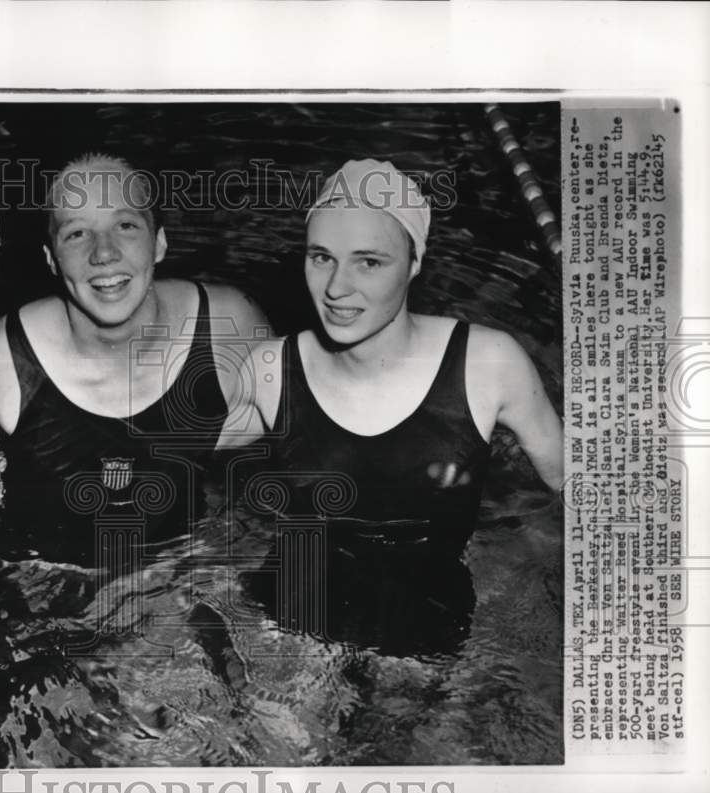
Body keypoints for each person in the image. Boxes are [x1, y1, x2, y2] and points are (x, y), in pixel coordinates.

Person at [230, 158, 564, 656]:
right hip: (289, 623)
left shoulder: (488, 364)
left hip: (428, 629)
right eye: (321, 257)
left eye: (369, 261)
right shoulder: (268, 369)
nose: (337, 288)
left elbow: (580, 490)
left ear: (414, 263)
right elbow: (171, 463)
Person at [0, 153, 269, 573]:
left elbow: (289, 464)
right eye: (76, 234)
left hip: (179, 568)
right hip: (39, 578)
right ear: (51, 258)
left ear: (159, 242)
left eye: (125, 226)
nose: (104, 253)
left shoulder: (226, 328)